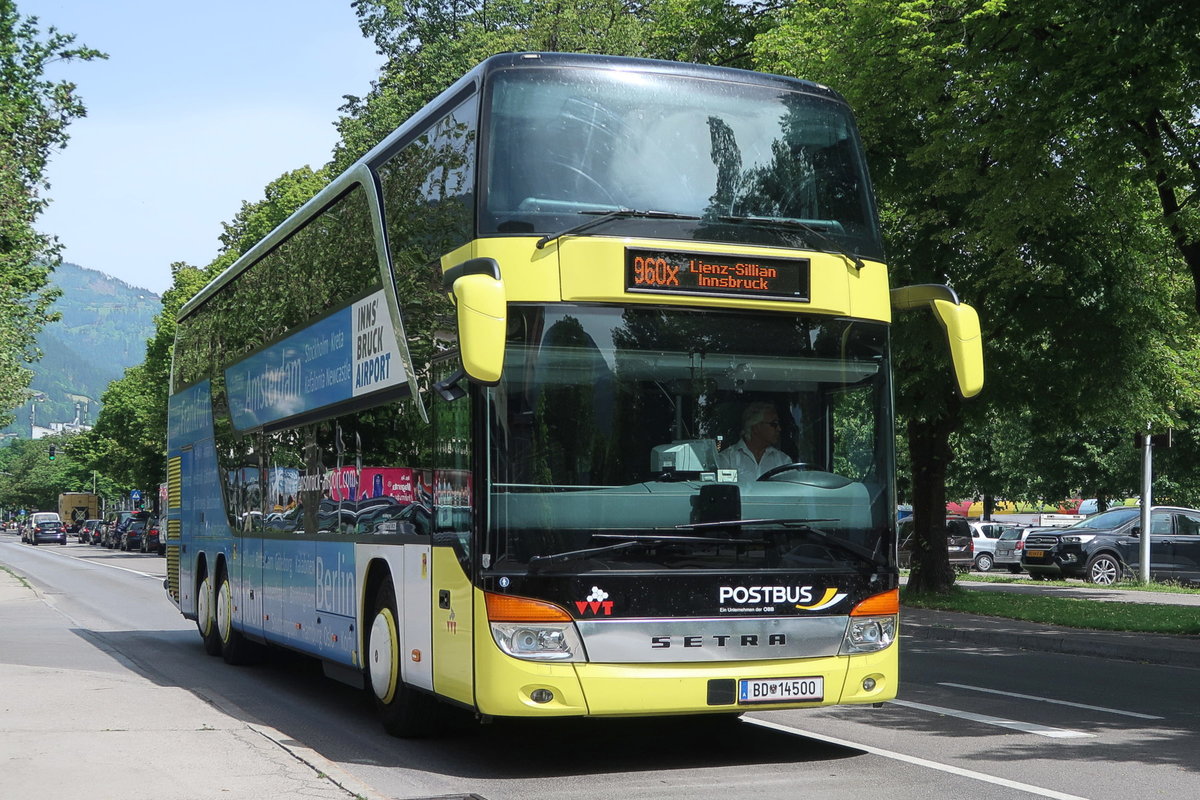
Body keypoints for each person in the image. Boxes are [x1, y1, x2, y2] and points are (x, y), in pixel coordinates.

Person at [718, 401, 793, 483]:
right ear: (756, 427)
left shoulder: (783, 461)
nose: (779, 429)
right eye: (774, 424)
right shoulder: (728, 459)